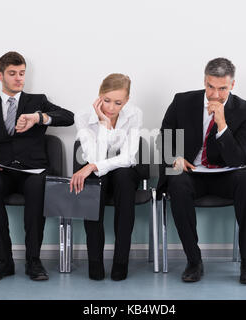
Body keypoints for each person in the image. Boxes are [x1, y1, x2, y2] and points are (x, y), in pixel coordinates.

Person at [157, 57, 246, 284]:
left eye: (222, 88)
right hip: (191, 172)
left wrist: (222, 125)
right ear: (205, 81)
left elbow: (237, 158)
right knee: (177, 182)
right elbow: (163, 139)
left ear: (232, 85)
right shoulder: (182, 101)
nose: (215, 94)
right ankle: (194, 261)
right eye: (211, 87)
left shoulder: (245, 110)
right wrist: (175, 158)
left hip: (226, 173)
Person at [0, 51, 74, 281]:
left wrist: (39, 118)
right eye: (12, 73)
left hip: (33, 172)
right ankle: (3, 261)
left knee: (38, 185)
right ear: (0, 76)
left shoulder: (37, 101)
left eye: (22, 73)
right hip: (3, 173)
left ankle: (33, 261)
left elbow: (68, 117)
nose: (19, 78)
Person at [71, 73, 143, 281]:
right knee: (93, 182)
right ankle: (95, 261)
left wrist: (92, 166)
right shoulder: (83, 117)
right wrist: (103, 124)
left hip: (123, 173)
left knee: (124, 177)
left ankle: (121, 261)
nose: (111, 108)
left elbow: (128, 157)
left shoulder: (134, 114)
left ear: (126, 101)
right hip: (98, 173)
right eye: (107, 100)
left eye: (118, 103)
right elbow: (95, 156)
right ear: (99, 96)